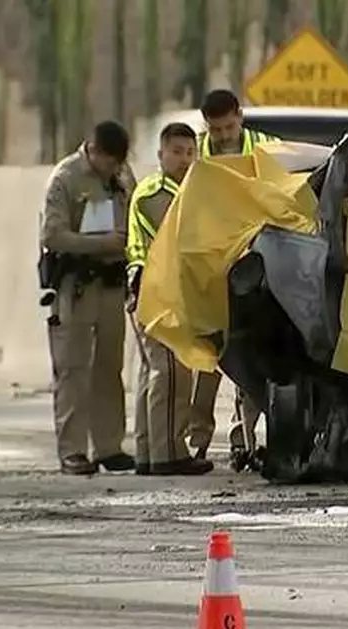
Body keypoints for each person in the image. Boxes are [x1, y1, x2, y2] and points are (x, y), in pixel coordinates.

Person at [40, 121, 136, 476]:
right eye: (110, 161)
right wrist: (101, 244)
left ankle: (109, 446)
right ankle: (73, 451)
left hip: (112, 286)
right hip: (77, 287)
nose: (115, 169)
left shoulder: (122, 176)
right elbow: (53, 234)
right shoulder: (65, 178)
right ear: (93, 150)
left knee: (109, 369)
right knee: (73, 370)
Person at [125, 122, 220, 476]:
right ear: (161, 154)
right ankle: (169, 454)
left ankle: (148, 452)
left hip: (161, 292)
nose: (184, 160)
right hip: (156, 292)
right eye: (177, 152)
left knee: (154, 373)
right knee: (170, 372)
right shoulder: (157, 194)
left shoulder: (186, 190)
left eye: (189, 152)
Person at [197, 88, 280, 468]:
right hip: (212, 268)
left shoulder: (265, 147)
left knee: (257, 354)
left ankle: (248, 437)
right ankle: (204, 440)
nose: (224, 136)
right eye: (216, 130)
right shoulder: (197, 154)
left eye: (229, 126)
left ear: (240, 117)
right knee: (215, 357)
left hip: (259, 266)